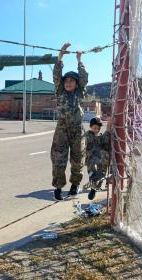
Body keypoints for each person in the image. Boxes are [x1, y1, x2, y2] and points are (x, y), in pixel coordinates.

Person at [51, 43, 88, 200]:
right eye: (66, 81)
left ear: (76, 83)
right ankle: (58, 187)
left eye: (72, 81)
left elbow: (84, 77)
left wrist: (79, 60)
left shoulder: (79, 92)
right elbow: (57, 75)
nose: (68, 83)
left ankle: (75, 184)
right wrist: (60, 56)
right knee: (58, 158)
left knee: (77, 158)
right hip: (61, 130)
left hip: (77, 130)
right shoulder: (59, 90)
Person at [85, 117, 111, 200]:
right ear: (90, 127)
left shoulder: (99, 136)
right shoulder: (88, 135)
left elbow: (104, 138)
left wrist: (109, 127)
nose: (96, 130)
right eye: (95, 128)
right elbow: (101, 139)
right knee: (92, 174)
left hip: (100, 159)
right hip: (91, 159)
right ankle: (93, 188)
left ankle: (94, 189)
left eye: (98, 129)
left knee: (101, 174)